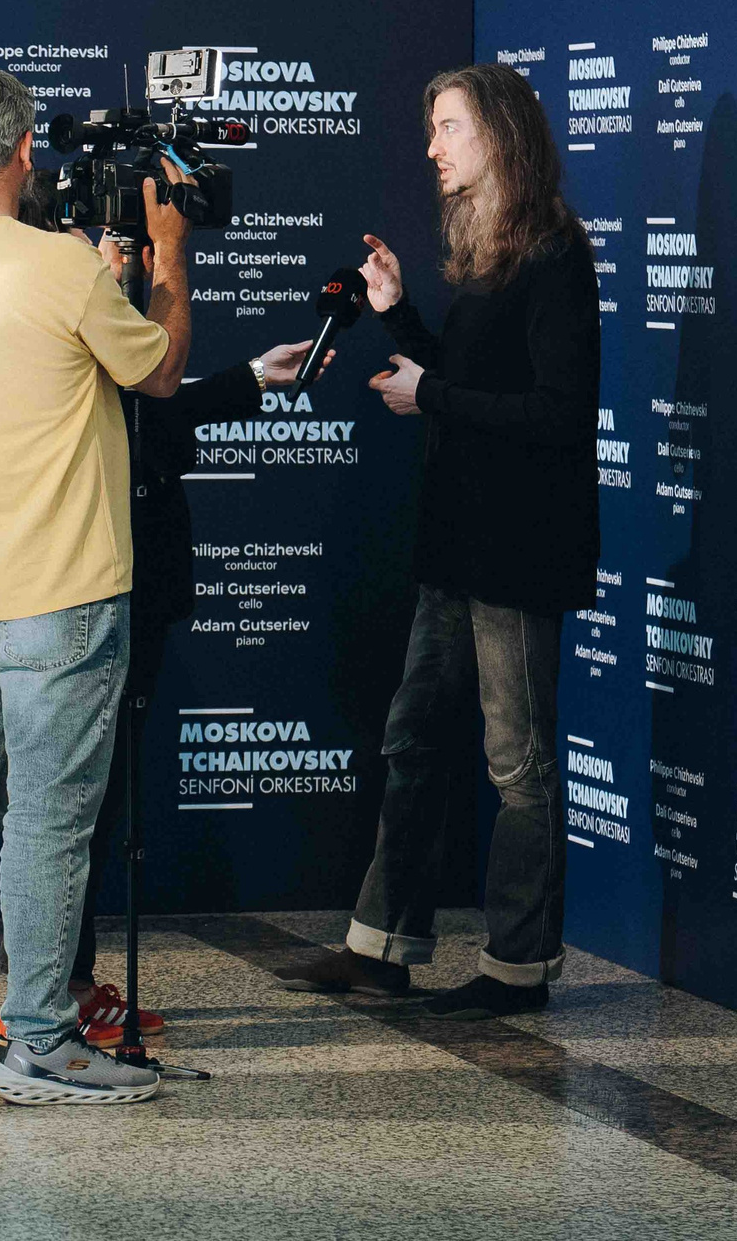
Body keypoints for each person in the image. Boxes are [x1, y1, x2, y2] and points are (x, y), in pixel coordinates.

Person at [0, 67, 192, 1107]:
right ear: (23, 155)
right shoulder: (62, 270)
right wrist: (167, 264)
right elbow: (155, 372)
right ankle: (43, 1046)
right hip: (61, 589)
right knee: (50, 823)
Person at [272, 62, 598, 1020]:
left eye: (448, 126)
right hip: (456, 547)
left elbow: (555, 412)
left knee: (519, 761)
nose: (431, 147)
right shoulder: (490, 252)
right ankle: (381, 946)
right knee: (414, 736)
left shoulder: (555, 253)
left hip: (517, 551)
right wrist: (397, 315)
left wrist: (432, 394)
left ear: (498, 134)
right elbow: (468, 377)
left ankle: (517, 967)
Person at [8, 170, 333, 1042]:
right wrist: (170, 266)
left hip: (124, 579)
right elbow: (144, 391)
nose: (125, 251)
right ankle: (43, 997)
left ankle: (58, 983)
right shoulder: (53, 298)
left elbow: (146, 411)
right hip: (92, 579)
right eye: (111, 237)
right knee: (70, 797)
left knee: (91, 795)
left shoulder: (63, 296)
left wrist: (250, 380)